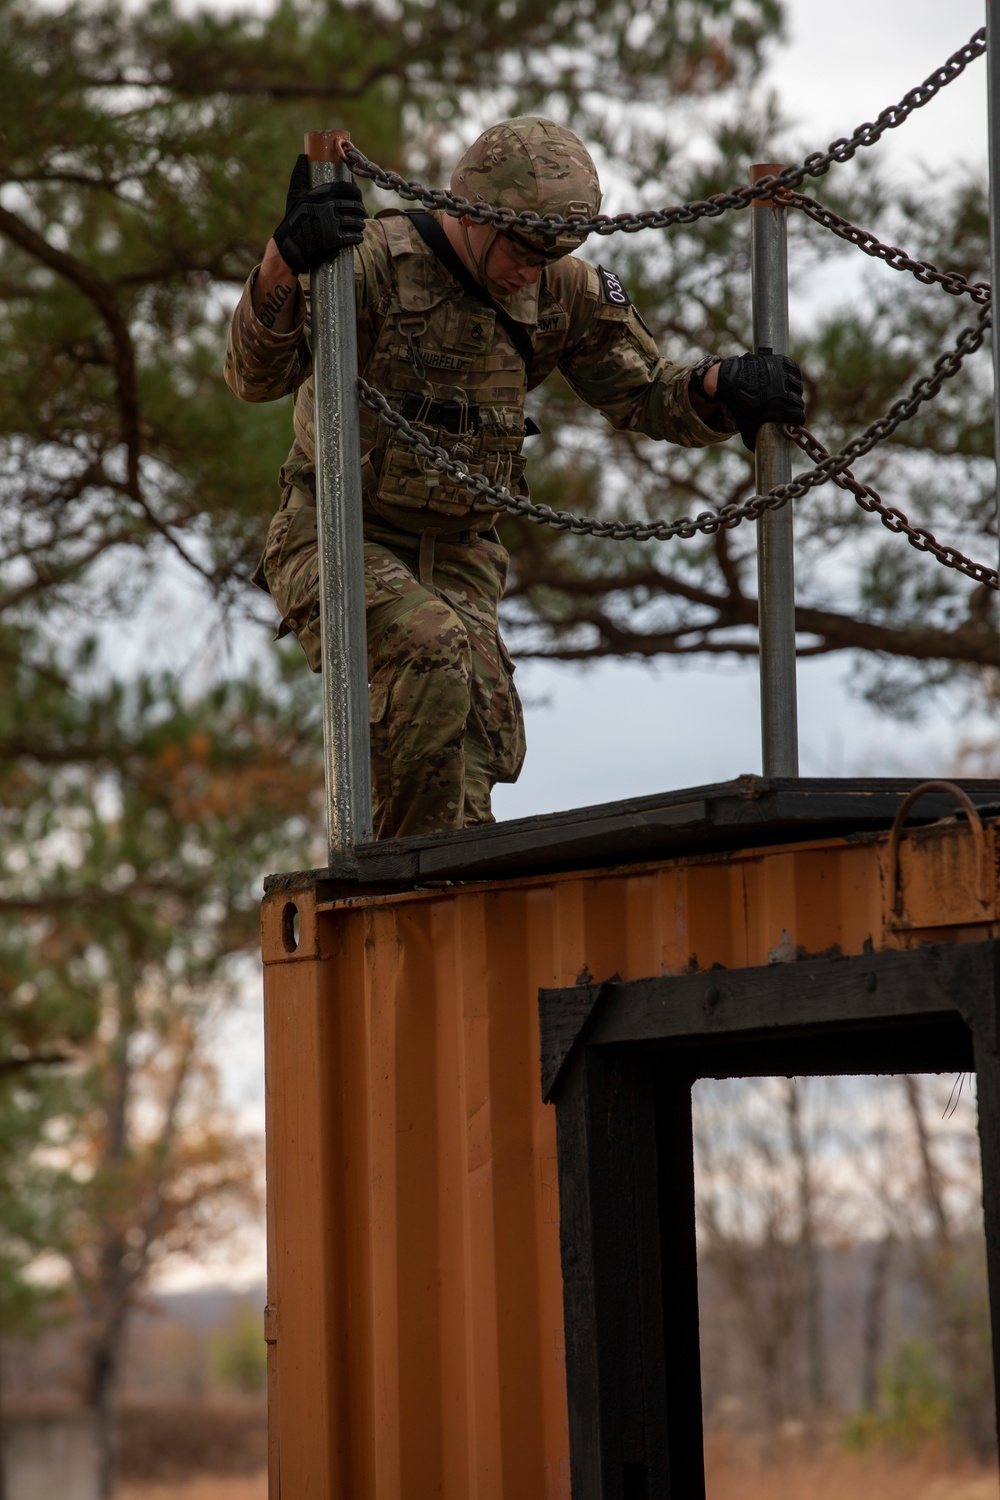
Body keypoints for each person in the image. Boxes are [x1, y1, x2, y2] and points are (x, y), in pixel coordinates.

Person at [225, 117, 804, 840]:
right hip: (335, 532)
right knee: (429, 647)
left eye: (554, 253)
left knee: (476, 729)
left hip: (463, 553)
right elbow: (253, 375)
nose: (533, 270)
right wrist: (285, 259)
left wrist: (724, 386)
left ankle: (445, 886)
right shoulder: (375, 260)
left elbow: (647, 392)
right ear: (472, 210)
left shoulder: (563, 291)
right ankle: (398, 891)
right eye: (523, 249)